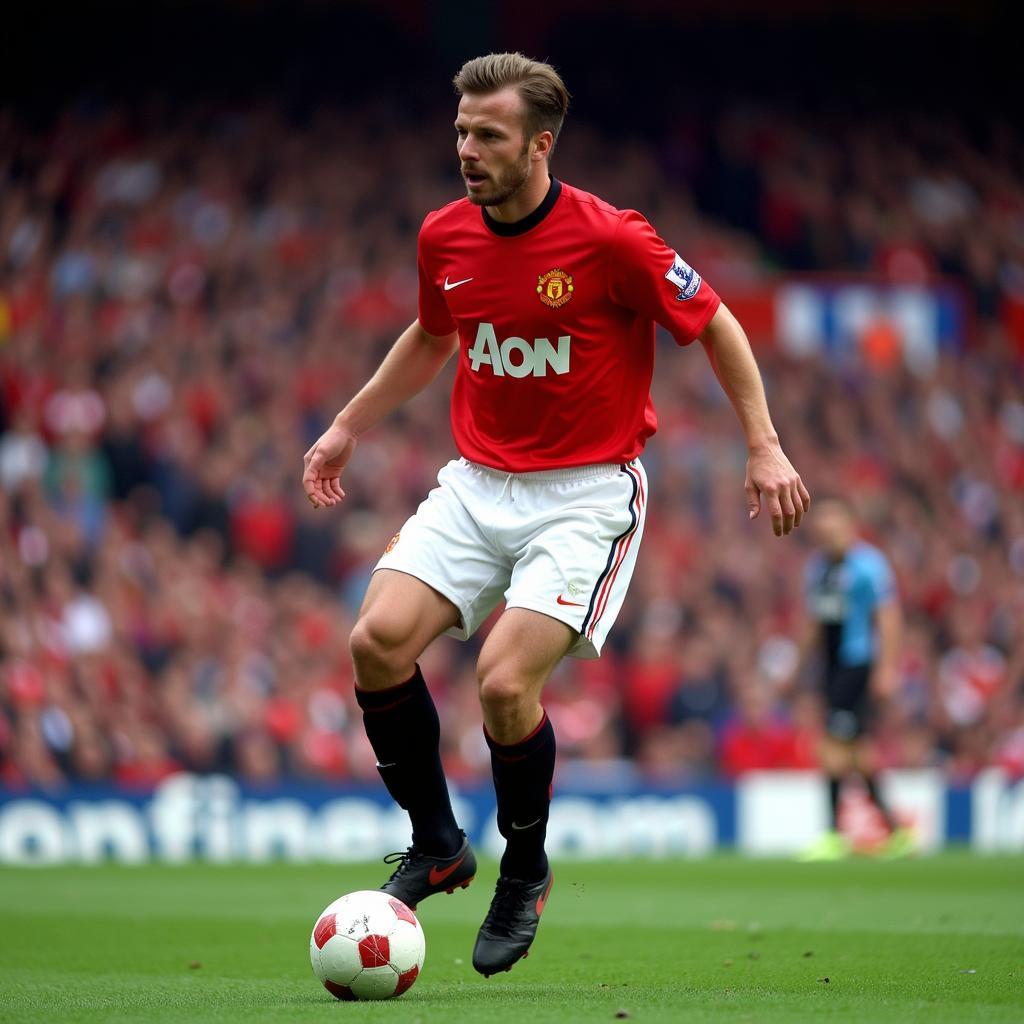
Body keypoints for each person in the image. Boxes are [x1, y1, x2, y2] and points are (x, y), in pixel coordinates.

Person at [302, 52, 810, 976]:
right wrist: (346, 427)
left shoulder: (613, 240)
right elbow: (431, 333)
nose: (466, 148)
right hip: (477, 481)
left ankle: (524, 867)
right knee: (375, 641)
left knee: (503, 685)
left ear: (539, 144)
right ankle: (440, 843)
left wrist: (764, 443)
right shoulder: (444, 237)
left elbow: (718, 321)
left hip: (585, 493)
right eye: (460, 130)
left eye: (487, 134)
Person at [791, 496, 913, 860]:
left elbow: (889, 618)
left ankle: (833, 834)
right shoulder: (817, 568)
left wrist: (887, 669)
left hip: (856, 664)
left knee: (831, 747)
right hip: (831, 668)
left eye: (834, 522)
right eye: (822, 523)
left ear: (850, 524)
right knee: (858, 754)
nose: (827, 529)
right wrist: (798, 666)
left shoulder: (869, 565)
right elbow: (815, 621)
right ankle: (895, 831)